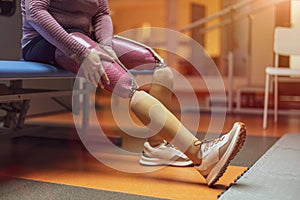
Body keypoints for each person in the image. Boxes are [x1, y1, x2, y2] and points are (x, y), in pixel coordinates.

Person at [21, 0, 246, 187]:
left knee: (159, 67)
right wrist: (81, 52)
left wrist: (106, 46)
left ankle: (156, 148)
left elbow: (102, 13)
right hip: (44, 42)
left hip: (85, 36)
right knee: (126, 84)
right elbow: (35, 12)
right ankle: (201, 155)